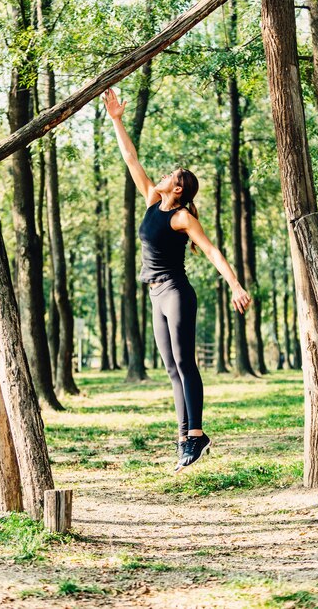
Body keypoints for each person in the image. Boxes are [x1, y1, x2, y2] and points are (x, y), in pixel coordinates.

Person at [102, 87, 252, 473]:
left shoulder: (182, 217)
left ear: (179, 188)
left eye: (171, 175)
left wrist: (234, 284)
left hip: (176, 293)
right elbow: (131, 159)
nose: (164, 175)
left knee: (186, 363)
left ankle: (197, 434)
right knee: (171, 367)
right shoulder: (153, 202)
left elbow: (213, 250)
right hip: (155, 294)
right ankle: (184, 438)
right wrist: (117, 119)